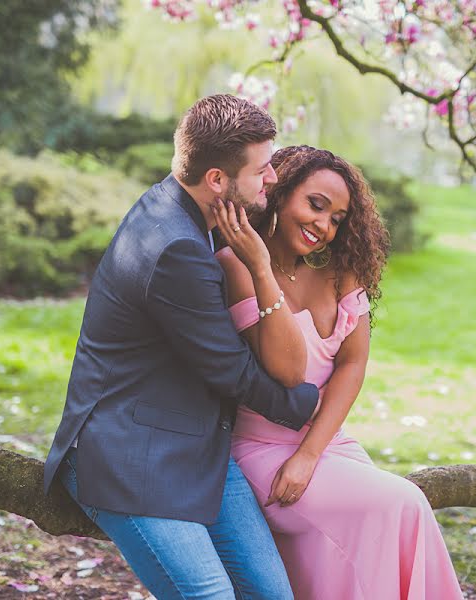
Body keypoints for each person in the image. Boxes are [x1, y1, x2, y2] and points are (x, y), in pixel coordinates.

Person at [42, 95, 320, 599]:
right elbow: (230, 372)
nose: (273, 178)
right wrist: (305, 403)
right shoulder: (177, 247)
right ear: (216, 179)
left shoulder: (187, 213)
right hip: (126, 454)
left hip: (192, 441)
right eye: (262, 169)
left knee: (273, 595)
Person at [215, 145, 465, 599]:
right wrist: (259, 265)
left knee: (370, 536)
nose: (324, 226)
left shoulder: (341, 274)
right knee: (402, 502)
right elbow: (284, 367)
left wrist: (311, 453)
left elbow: (352, 364)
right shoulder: (236, 266)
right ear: (279, 193)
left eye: (337, 218)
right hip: (259, 451)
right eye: (315, 205)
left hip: (326, 444)